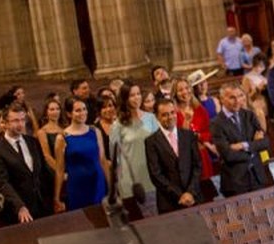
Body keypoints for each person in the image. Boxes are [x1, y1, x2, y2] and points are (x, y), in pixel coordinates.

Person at [0, 105, 56, 224]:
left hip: (43, 204)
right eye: (15, 120)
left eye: (22, 120)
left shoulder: (32, 142)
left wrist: (55, 196)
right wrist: (20, 206)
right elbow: (3, 183)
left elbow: (44, 171)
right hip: (19, 210)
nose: (20, 124)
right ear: (5, 123)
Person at [210, 83, 271, 196]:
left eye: (240, 96)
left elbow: (265, 142)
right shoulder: (216, 123)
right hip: (236, 182)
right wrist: (253, 148)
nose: (237, 101)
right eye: (232, 97)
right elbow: (227, 155)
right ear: (222, 99)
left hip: (257, 178)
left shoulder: (249, 115)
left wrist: (244, 145)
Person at [108, 84, 159, 215]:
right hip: (130, 179)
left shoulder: (151, 118)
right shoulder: (118, 125)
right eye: (132, 95)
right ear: (125, 99)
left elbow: (161, 147)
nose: (137, 98)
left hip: (151, 175)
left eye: (138, 94)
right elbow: (114, 157)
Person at [145, 98, 203, 213]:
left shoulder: (188, 135)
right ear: (157, 117)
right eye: (165, 115)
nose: (170, 117)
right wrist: (180, 195)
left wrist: (190, 192)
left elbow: (198, 165)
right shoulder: (151, 142)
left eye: (172, 113)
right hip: (169, 203)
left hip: (194, 198)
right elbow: (155, 174)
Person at [54, 97, 110, 211]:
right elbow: (59, 169)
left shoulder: (95, 132)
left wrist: (110, 185)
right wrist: (56, 197)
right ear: (69, 114)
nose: (83, 113)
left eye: (84, 109)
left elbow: (102, 160)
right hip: (77, 185)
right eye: (78, 110)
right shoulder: (62, 137)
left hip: (97, 182)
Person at [173, 77, 216, 190]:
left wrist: (199, 136)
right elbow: (179, 138)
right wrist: (187, 121)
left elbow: (208, 132)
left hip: (202, 154)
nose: (185, 92)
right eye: (180, 90)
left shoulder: (200, 109)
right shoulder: (173, 113)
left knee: (208, 189)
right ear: (175, 94)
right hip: (187, 158)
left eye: (187, 88)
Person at [37, 96, 64, 170]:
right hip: (53, 170)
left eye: (57, 109)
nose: (55, 112)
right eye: (52, 109)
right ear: (46, 112)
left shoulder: (64, 129)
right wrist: (60, 171)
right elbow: (47, 156)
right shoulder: (42, 132)